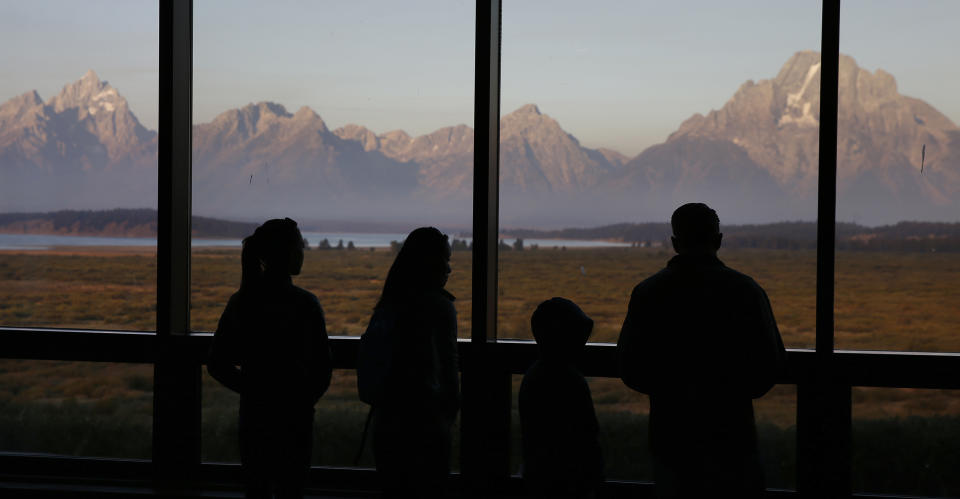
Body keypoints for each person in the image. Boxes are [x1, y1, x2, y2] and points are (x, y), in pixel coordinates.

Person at [617, 203, 785, 499]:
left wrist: (670, 389)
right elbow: (770, 365)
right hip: (733, 437)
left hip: (671, 436)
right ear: (718, 240)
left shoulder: (649, 292)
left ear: (675, 243)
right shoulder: (746, 291)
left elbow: (630, 367)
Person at [208, 218, 332, 499]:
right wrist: (301, 398)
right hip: (295, 419)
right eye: (299, 246)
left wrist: (254, 389)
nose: (303, 253)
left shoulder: (242, 301)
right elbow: (323, 368)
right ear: (286, 253)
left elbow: (217, 363)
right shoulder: (305, 304)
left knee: (257, 489)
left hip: (254, 416)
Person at [367, 227, 459, 498]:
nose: (449, 269)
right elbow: (448, 365)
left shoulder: (389, 303)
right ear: (430, 262)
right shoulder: (438, 307)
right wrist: (448, 414)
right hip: (426, 423)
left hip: (386, 422)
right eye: (445, 260)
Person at [519, 297, 604, 499]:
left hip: (540, 475)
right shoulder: (570, 379)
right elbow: (587, 434)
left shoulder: (534, 375)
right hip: (571, 479)